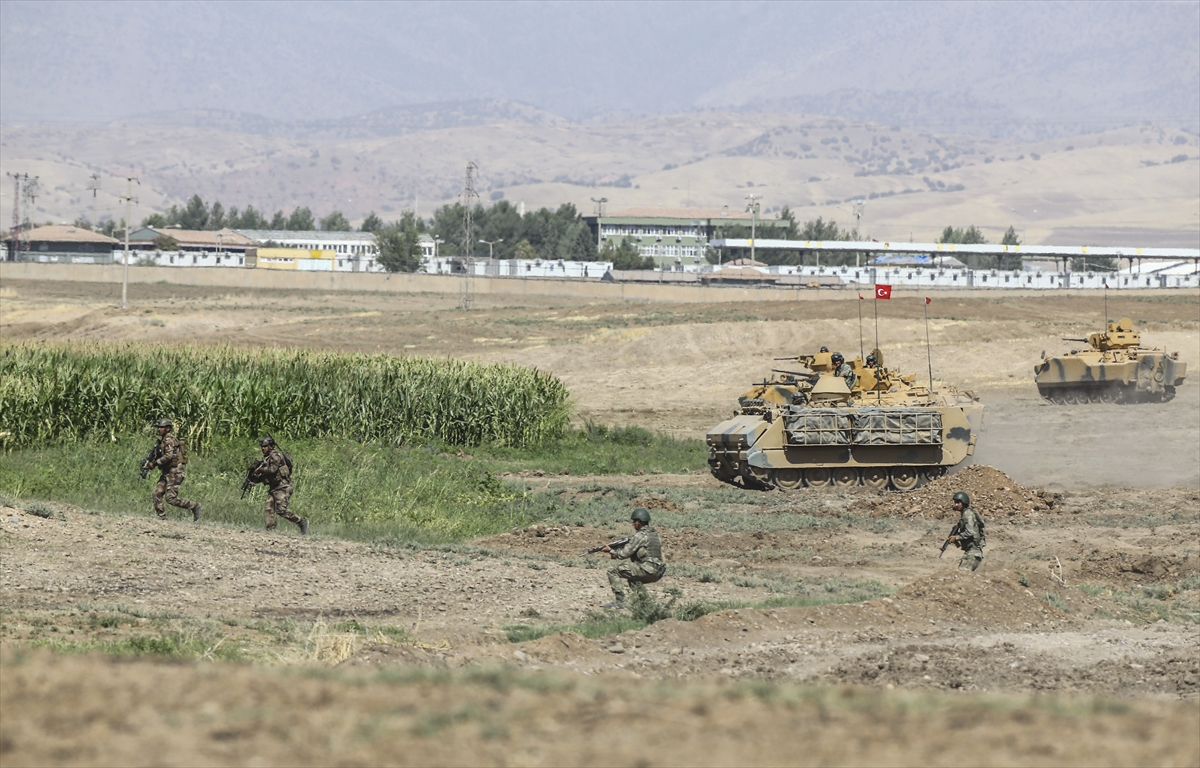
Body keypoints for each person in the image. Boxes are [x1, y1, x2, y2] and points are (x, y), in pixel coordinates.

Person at [603, 508, 666, 608]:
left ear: (639, 522)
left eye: (634, 521)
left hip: (647, 569)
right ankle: (644, 603)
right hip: (658, 571)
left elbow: (623, 554)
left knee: (612, 570)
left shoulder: (639, 536)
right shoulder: (655, 535)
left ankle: (619, 602)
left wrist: (611, 551)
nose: (633, 524)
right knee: (632, 578)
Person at [249, 436, 308, 534]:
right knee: (268, 508)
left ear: (271, 446)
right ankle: (270, 530)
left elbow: (273, 470)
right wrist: (254, 480)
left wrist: (260, 470)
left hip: (283, 487)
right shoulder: (267, 458)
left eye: (265, 446)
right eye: (262, 447)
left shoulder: (275, 455)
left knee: (281, 510)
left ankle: (302, 522)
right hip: (274, 487)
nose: (263, 448)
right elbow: (267, 476)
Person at [149, 418, 201, 522]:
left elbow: (168, 456)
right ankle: (162, 518)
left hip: (175, 472)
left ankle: (194, 506)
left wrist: (155, 463)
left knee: (171, 499)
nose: (159, 429)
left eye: (161, 427)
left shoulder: (169, 440)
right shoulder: (163, 440)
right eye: (158, 427)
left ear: (168, 428)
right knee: (157, 493)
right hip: (167, 472)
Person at [948, 491, 985, 571]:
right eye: (955, 503)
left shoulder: (967, 514)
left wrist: (956, 537)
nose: (956, 505)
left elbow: (970, 532)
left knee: (962, 575)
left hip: (973, 553)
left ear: (964, 503)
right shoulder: (965, 513)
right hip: (970, 552)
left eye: (958, 502)